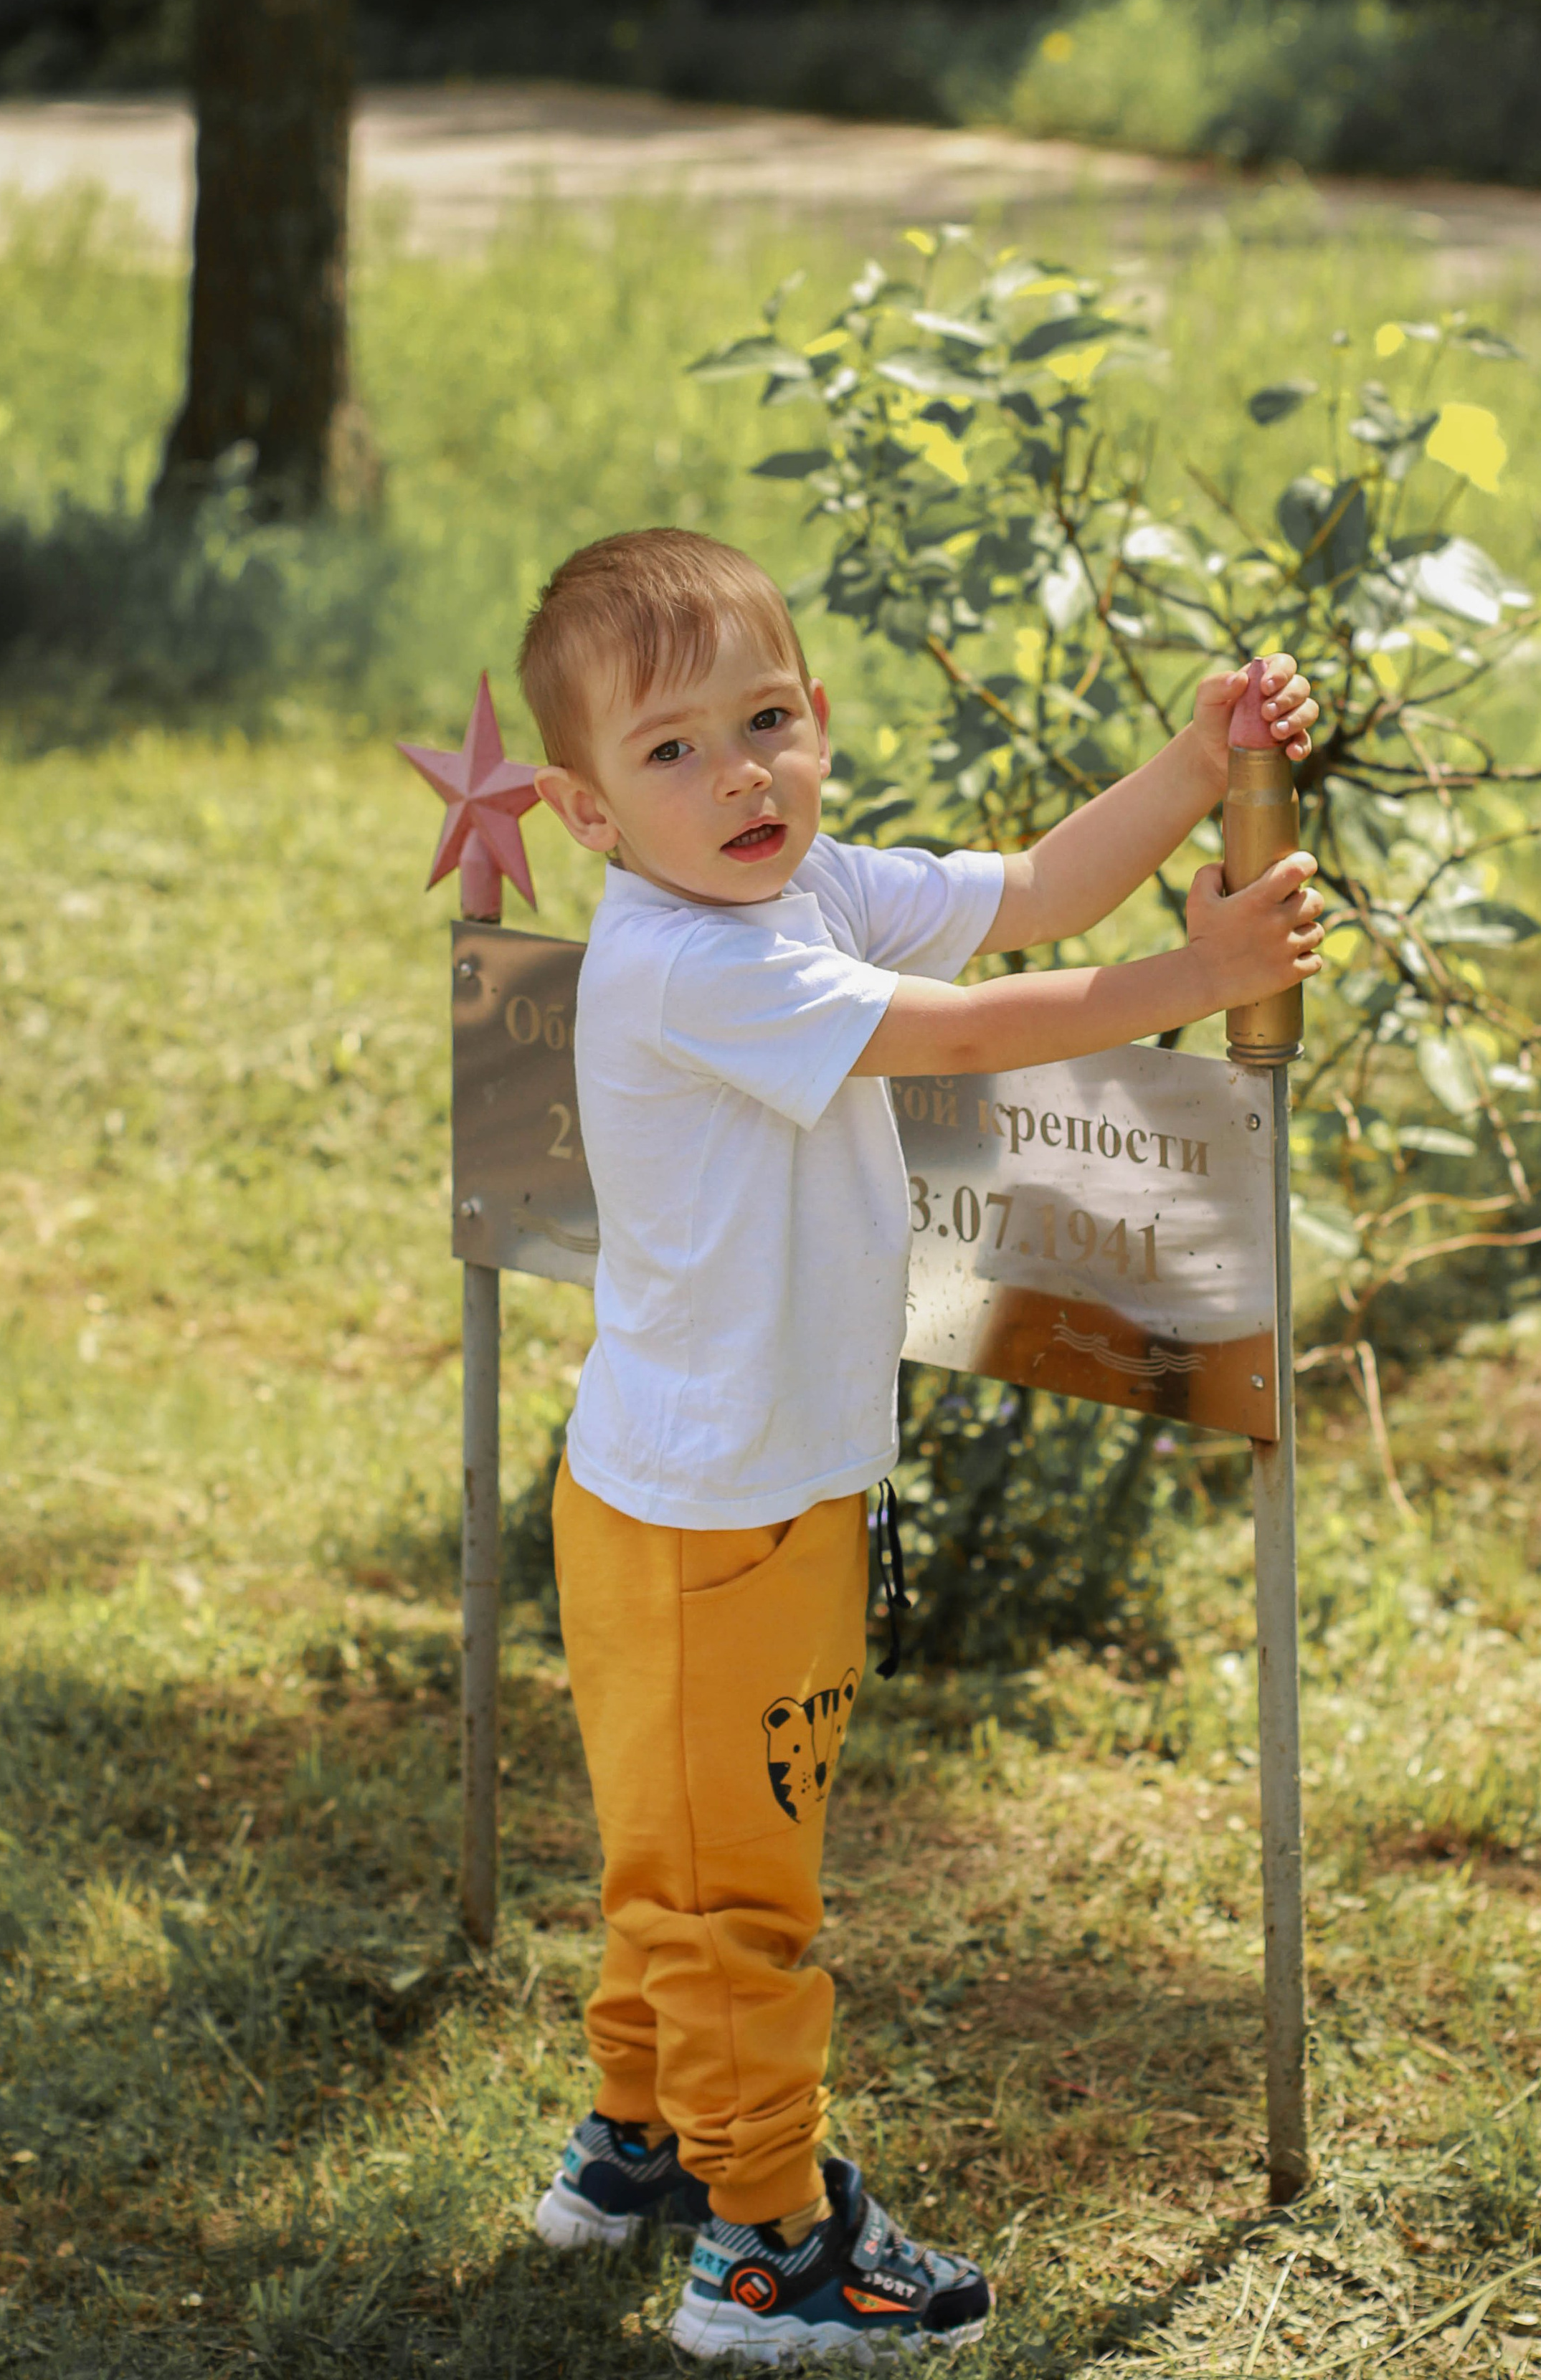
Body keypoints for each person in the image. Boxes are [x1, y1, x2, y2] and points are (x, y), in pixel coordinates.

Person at [518, 526, 1320, 2364]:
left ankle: (636, 2143)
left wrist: (1197, 768)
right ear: (582, 810)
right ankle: (770, 2246)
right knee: (742, 1893)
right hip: (728, 1513)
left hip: (665, 1484)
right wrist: (1186, 981)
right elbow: (973, 1027)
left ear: (815, 723)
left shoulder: (788, 895)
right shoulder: (686, 964)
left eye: (769, 720)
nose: (740, 774)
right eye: (671, 752)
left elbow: (1032, 892)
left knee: (674, 1854)